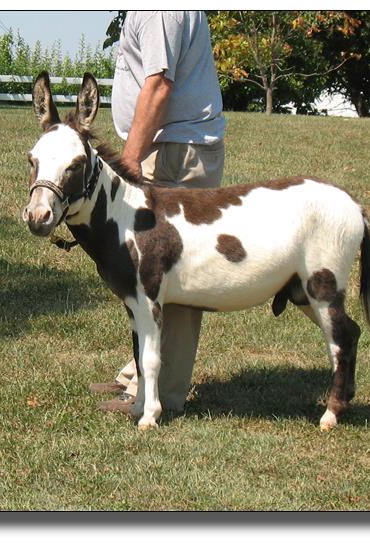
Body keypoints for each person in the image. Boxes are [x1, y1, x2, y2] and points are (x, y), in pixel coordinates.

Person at [89, 11, 226, 414]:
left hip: (173, 154)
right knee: (145, 271)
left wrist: (127, 165)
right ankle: (138, 372)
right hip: (168, 148)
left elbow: (159, 85)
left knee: (176, 271)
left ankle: (160, 393)